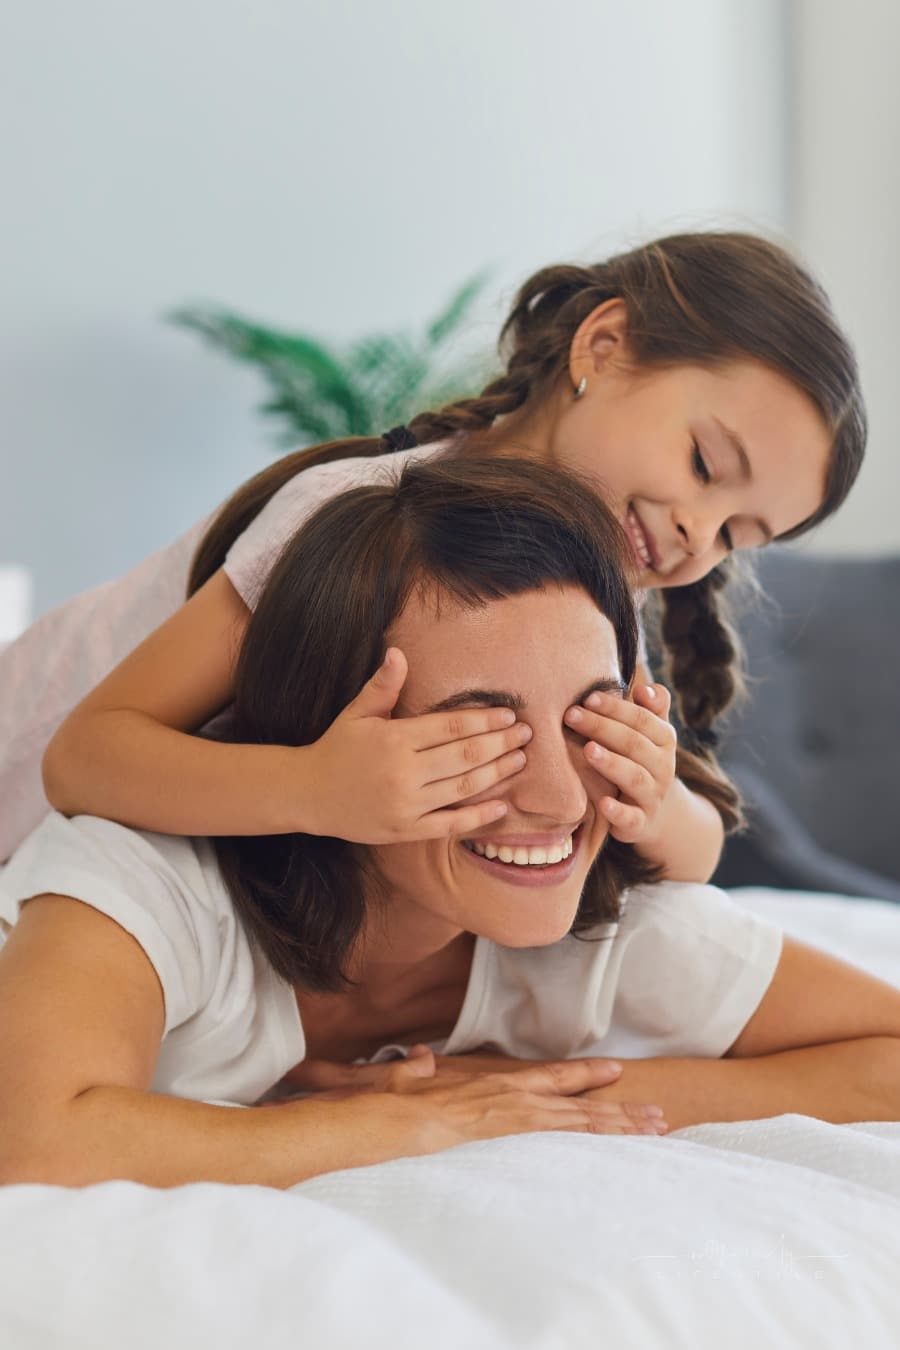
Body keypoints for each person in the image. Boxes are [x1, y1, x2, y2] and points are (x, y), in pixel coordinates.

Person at [2, 457, 898, 1192]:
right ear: (325, 734)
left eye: (589, 721)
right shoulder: (144, 879)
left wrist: (537, 1094)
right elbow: (32, 1140)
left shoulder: (604, 925)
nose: (560, 800)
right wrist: (393, 1124)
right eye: (481, 736)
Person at [1, 232, 865, 890]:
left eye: (735, 537)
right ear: (604, 347)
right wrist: (313, 788)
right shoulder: (359, 517)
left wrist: (656, 800)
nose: (696, 535)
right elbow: (83, 759)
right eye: (705, 466)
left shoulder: (593, 616)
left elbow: (697, 858)